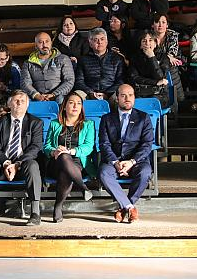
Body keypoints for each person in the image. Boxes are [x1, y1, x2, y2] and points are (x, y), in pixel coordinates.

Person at [0, 90, 43, 227]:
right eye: (16, 100)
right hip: (3, 165)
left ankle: (35, 214)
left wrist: (17, 164)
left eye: (22, 101)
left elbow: (35, 148)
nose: (19, 103)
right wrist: (7, 163)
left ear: (27, 105)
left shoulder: (35, 122)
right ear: (9, 104)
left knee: (33, 165)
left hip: (23, 165)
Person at [98, 84, 154, 223]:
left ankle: (123, 207)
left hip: (136, 161)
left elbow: (147, 144)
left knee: (145, 173)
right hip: (114, 160)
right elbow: (104, 144)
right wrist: (116, 162)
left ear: (134, 97)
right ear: (117, 98)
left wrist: (131, 162)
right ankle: (130, 207)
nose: (127, 98)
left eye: (130, 95)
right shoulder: (106, 118)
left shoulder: (143, 117)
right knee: (104, 173)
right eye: (123, 95)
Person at [43, 92, 95, 223]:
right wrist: (54, 151)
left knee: (65, 173)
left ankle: (58, 206)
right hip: (56, 161)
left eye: (78, 103)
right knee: (63, 156)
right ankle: (83, 187)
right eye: (71, 103)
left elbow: (88, 147)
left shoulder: (88, 124)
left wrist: (72, 151)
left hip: (78, 162)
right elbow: (47, 146)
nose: (75, 106)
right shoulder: (55, 123)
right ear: (65, 106)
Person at [21, 32, 74, 104]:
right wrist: (36, 95)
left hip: (58, 96)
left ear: (51, 43)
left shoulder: (63, 59)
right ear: (36, 45)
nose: (44, 45)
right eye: (40, 42)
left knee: (61, 99)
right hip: (37, 96)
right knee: (24, 100)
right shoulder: (28, 63)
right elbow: (25, 83)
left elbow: (69, 80)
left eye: (47, 41)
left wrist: (54, 94)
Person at [74, 28, 124, 101]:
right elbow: (79, 81)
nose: (99, 42)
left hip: (111, 93)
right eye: (95, 40)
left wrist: (107, 94)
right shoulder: (83, 60)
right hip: (88, 93)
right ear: (90, 44)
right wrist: (90, 93)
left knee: (121, 95)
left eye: (102, 39)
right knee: (76, 95)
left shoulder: (117, 59)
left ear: (106, 42)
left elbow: (120, 81)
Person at [129, 31, 171, 108]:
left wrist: (152, 57)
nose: (147, 43)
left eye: (150, 40)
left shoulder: (163, 57)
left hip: (159, 93)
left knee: (153, 102)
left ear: (155, 43)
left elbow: (160, 77)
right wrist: (155, 82)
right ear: (140, 45)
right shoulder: (134, 58)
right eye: (144, 41)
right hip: (140, 91)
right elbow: (134, 78)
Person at [151, 13, 185, 102]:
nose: (160, 25)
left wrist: (166, 57)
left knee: (178, 98)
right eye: (157, 22)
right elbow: (149, 54)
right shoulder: (148, 36)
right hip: (153, 69)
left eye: (163, 22)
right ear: (152, 25)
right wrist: (167, 56)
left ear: (167, 25)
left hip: (170, 67)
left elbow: (172, 54)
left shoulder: (172, 35)